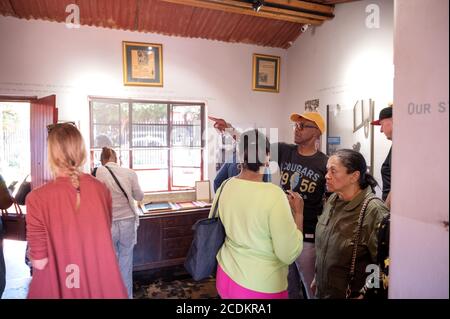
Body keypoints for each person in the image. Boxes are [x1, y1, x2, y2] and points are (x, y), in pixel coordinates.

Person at [209, 112, 328, 298]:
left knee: (311, 286)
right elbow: (253, 146)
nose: (297, 129)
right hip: (275, 234)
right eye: (295, 125)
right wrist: (230, 128)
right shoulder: (285, 151)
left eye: (303, 126)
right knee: (290, 284)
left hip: (307, 237)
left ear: (317, 132)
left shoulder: (325, 163)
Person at [25, 123, 127, 298]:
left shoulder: (37, 199)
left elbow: (39, 262)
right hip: (100, 284)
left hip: (63, 286)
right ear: (81, 152)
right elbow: (102, 232)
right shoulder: (101, 189)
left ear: (51, 155)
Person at [312, 149, 389, 299]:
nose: (327, 176)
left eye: (333, 171)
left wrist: (365, 294)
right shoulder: (333, 200)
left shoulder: (374, 210)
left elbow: (385, 264)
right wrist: (319, 275)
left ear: (354, 176)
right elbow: (326, 245)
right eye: (327, 170)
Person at [95, 147, 144, 299]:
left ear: (102, 160)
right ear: (116, 158)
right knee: (126, 261)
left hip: (108, 223)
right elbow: (139, 196)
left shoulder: (98, 172)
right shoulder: (129, 173)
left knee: (110, 261)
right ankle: (126, 296)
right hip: (127, 222)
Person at [370, 105, 393, 208]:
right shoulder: (396, 146)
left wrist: (385, 212)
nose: (381, 130)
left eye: (381, 124)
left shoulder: (401, 147)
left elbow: (397, 185)